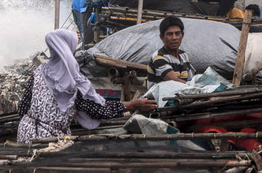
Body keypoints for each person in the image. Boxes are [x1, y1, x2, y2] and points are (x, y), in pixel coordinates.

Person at [17, 29, 157, 144]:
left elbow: (23, 108)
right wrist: (133, 104)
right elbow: (98, 110)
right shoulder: (72, 81)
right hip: (49, 141)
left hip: (25, 134)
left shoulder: (39, 72)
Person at [147, 16, 195, 89]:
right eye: (170, 34)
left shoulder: (184, 56)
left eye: (177, 33)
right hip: (159, 98)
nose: (174, 38)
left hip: (180, 95)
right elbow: (173, 81)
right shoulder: (158, 57)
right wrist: (196, 87)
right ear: (162, 37)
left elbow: (190, 80)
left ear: (182, 35)